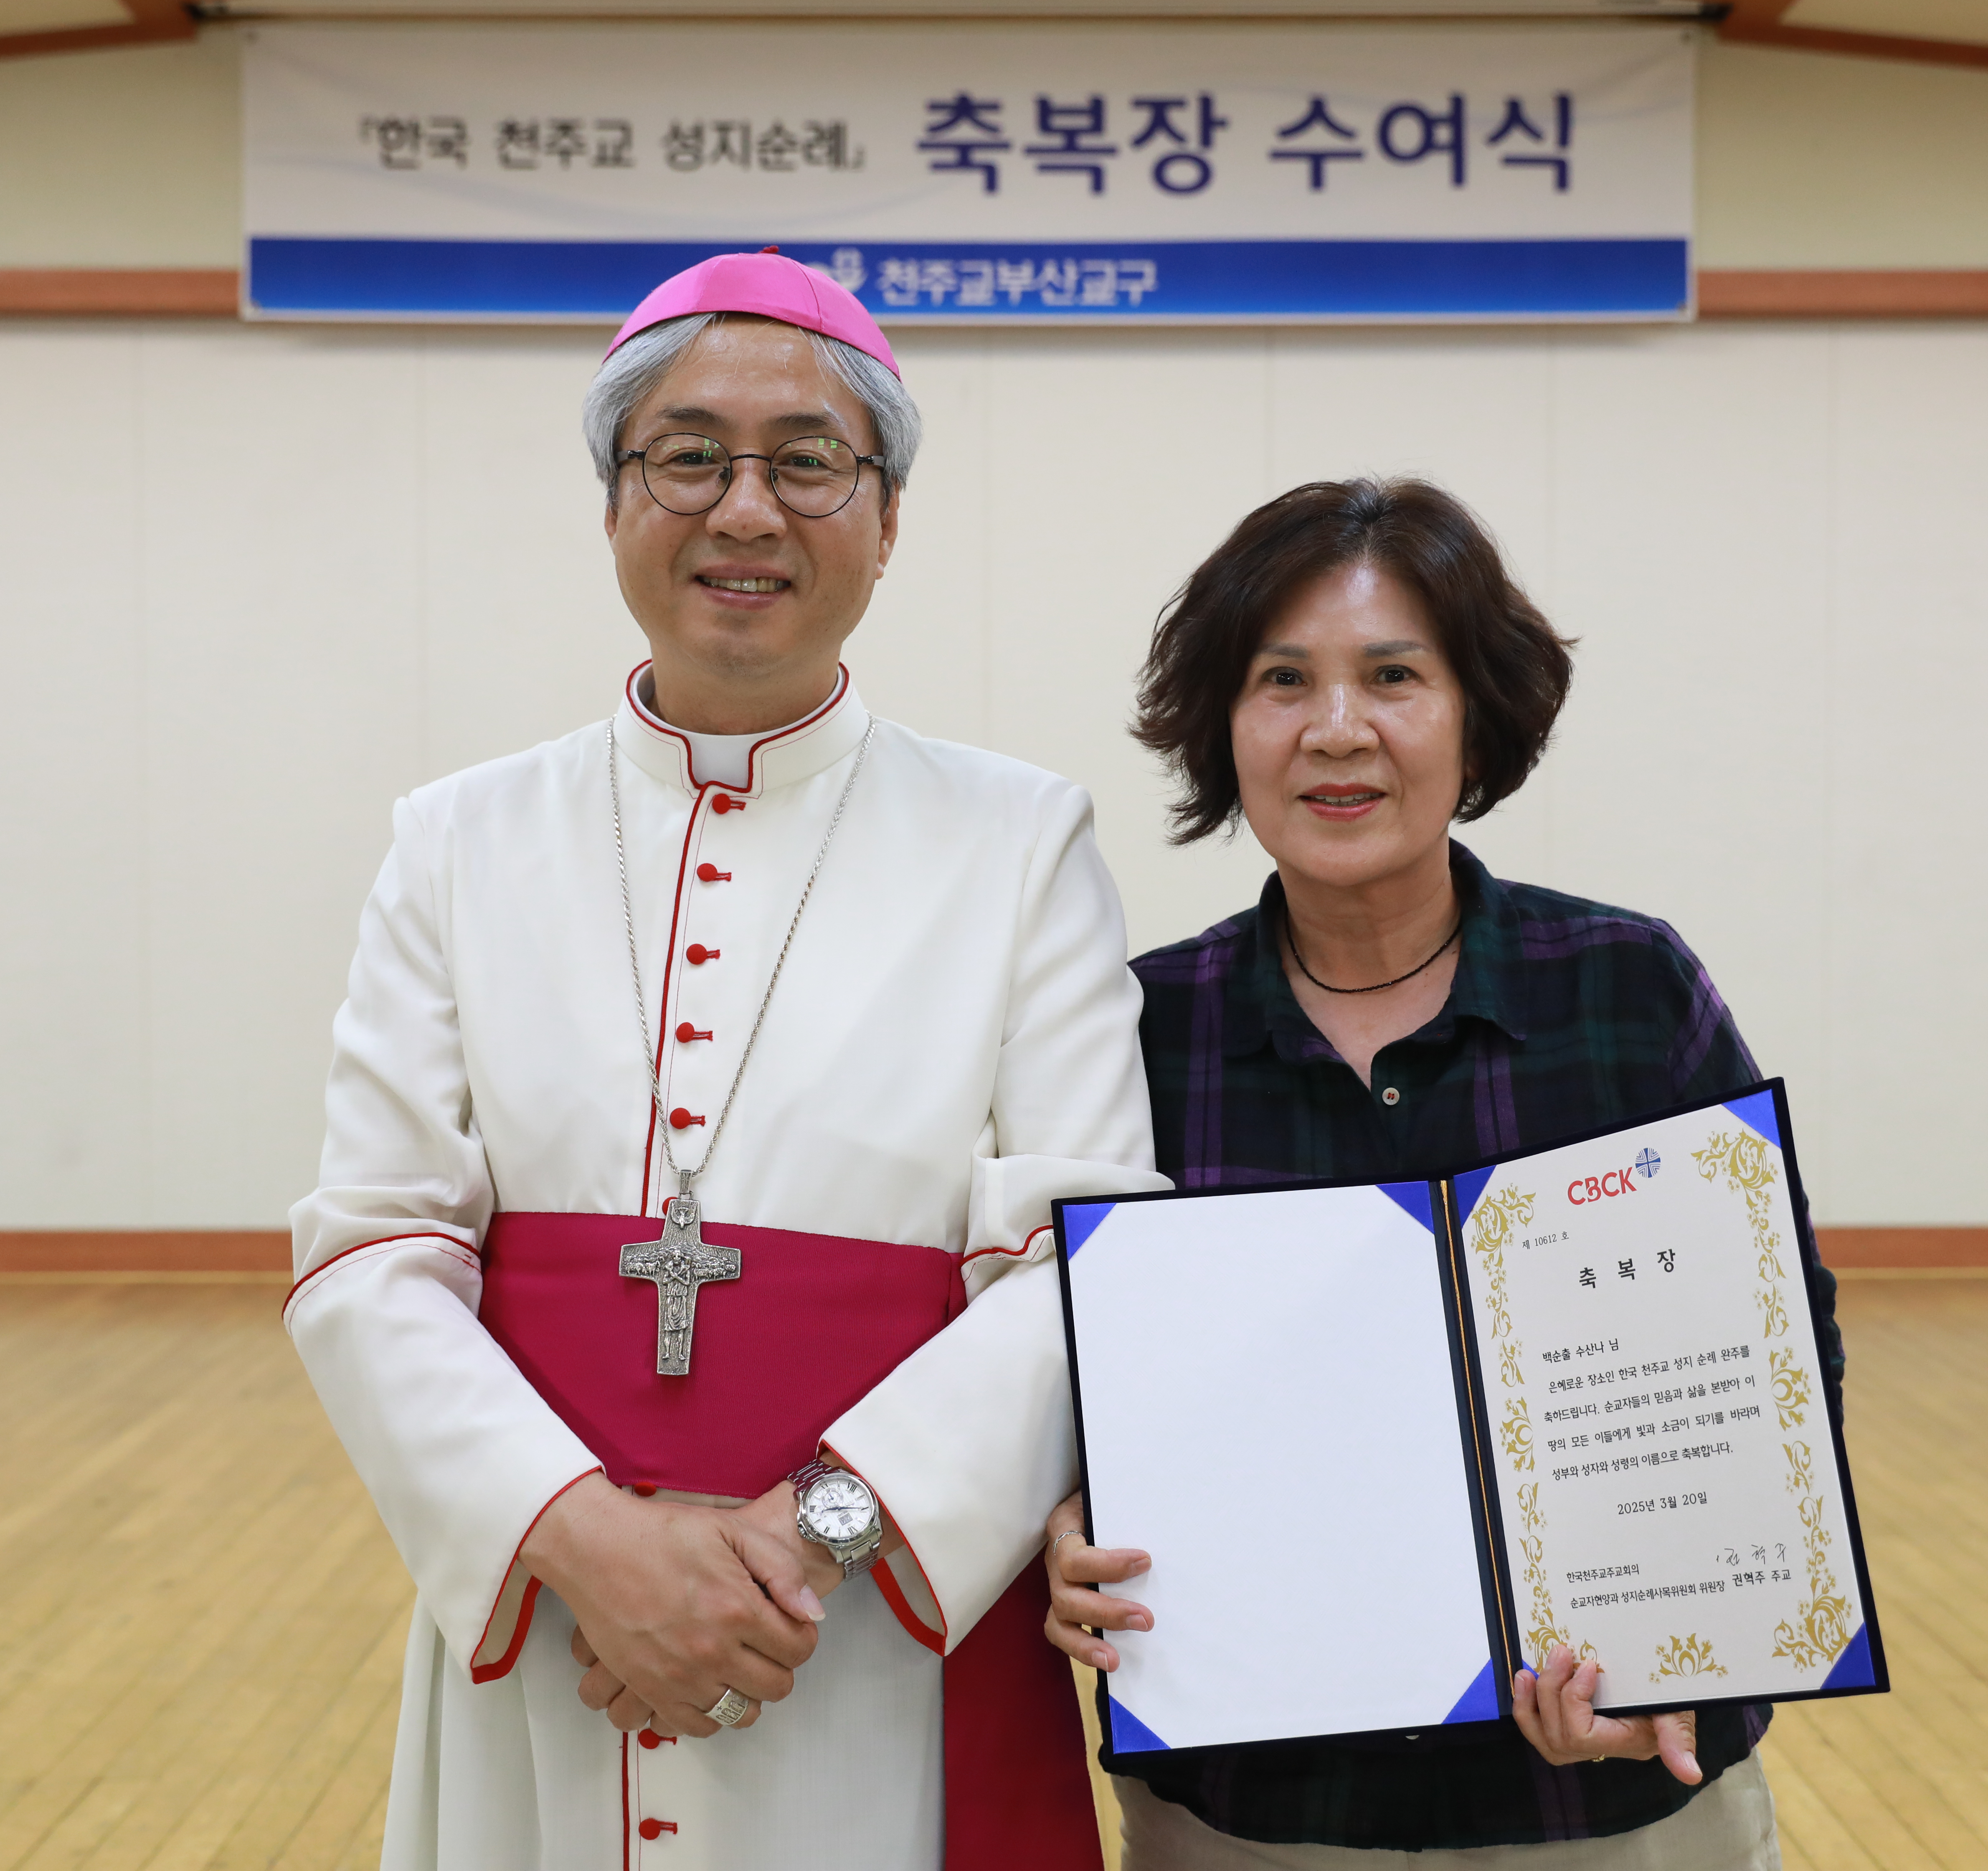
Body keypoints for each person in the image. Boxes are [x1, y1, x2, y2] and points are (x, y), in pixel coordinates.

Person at [287, 249, 1164, 1871]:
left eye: (809, 462)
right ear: (614, 502)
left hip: (869, 1640)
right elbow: (367, 1254)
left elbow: (1080, 1263)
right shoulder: (458, 842)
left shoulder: (1021, 840)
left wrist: (806, 1543)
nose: (745, 509)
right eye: (687, 456)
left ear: (887, 519)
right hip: (555, 1623)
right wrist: (587, 1543)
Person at [1043, 477, 1843, 1868]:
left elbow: (1777, 1363)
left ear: (1479, 715)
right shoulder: (1141, 1031)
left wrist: (1683, 1664)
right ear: (1221, 724)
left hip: (1603, 1802)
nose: (1336, 728)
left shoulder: (1626, 988)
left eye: (1394, 677)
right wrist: (1064, 1529)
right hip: (1259, 1814)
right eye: (1282, 679)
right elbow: (1056, 1379)